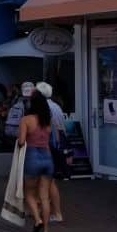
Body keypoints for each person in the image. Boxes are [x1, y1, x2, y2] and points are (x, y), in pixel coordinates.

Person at [18, 86, 54, 232]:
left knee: (29, 194)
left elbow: (21, 141)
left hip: (32, 158)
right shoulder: (47, 122)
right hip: (47, 158)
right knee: (44, 197)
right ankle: (45, 231)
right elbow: (48, 141)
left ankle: (37, 220)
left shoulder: (26, 120)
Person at [36, 80, 66, 223]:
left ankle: (56, 212)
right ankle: (43, 208)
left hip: (48, 146)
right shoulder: (56, 107)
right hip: (56, 147)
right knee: (46, 181)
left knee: (49, 181)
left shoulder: (43, 108)